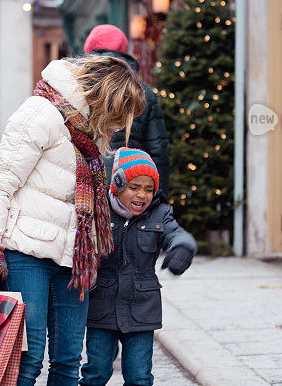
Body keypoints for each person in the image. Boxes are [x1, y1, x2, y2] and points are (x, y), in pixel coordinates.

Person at [0, 56, 146, 385]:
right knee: (29, 357)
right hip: (26, 253)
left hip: (72, 258)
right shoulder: (41, 113)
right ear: (103, 98)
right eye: (118, 115)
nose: (118, 126)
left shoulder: (86, 130)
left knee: (68, 359)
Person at [80, 148, 196, 386]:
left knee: (139, 376)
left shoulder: (160, 214)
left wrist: (182, 248)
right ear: (117, 185)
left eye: (148, 189)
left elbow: (178, 235)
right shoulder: (99, 211)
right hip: (102, 308)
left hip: (142, 309)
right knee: (96, 373)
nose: (142, 195)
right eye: (134, 187)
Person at [84, 24, 170, 189]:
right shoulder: (143, 92)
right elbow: (157, 150)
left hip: (86, 187)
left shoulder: (79, 87)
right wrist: (159, 200)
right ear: (123, 49)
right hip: (129, 187)